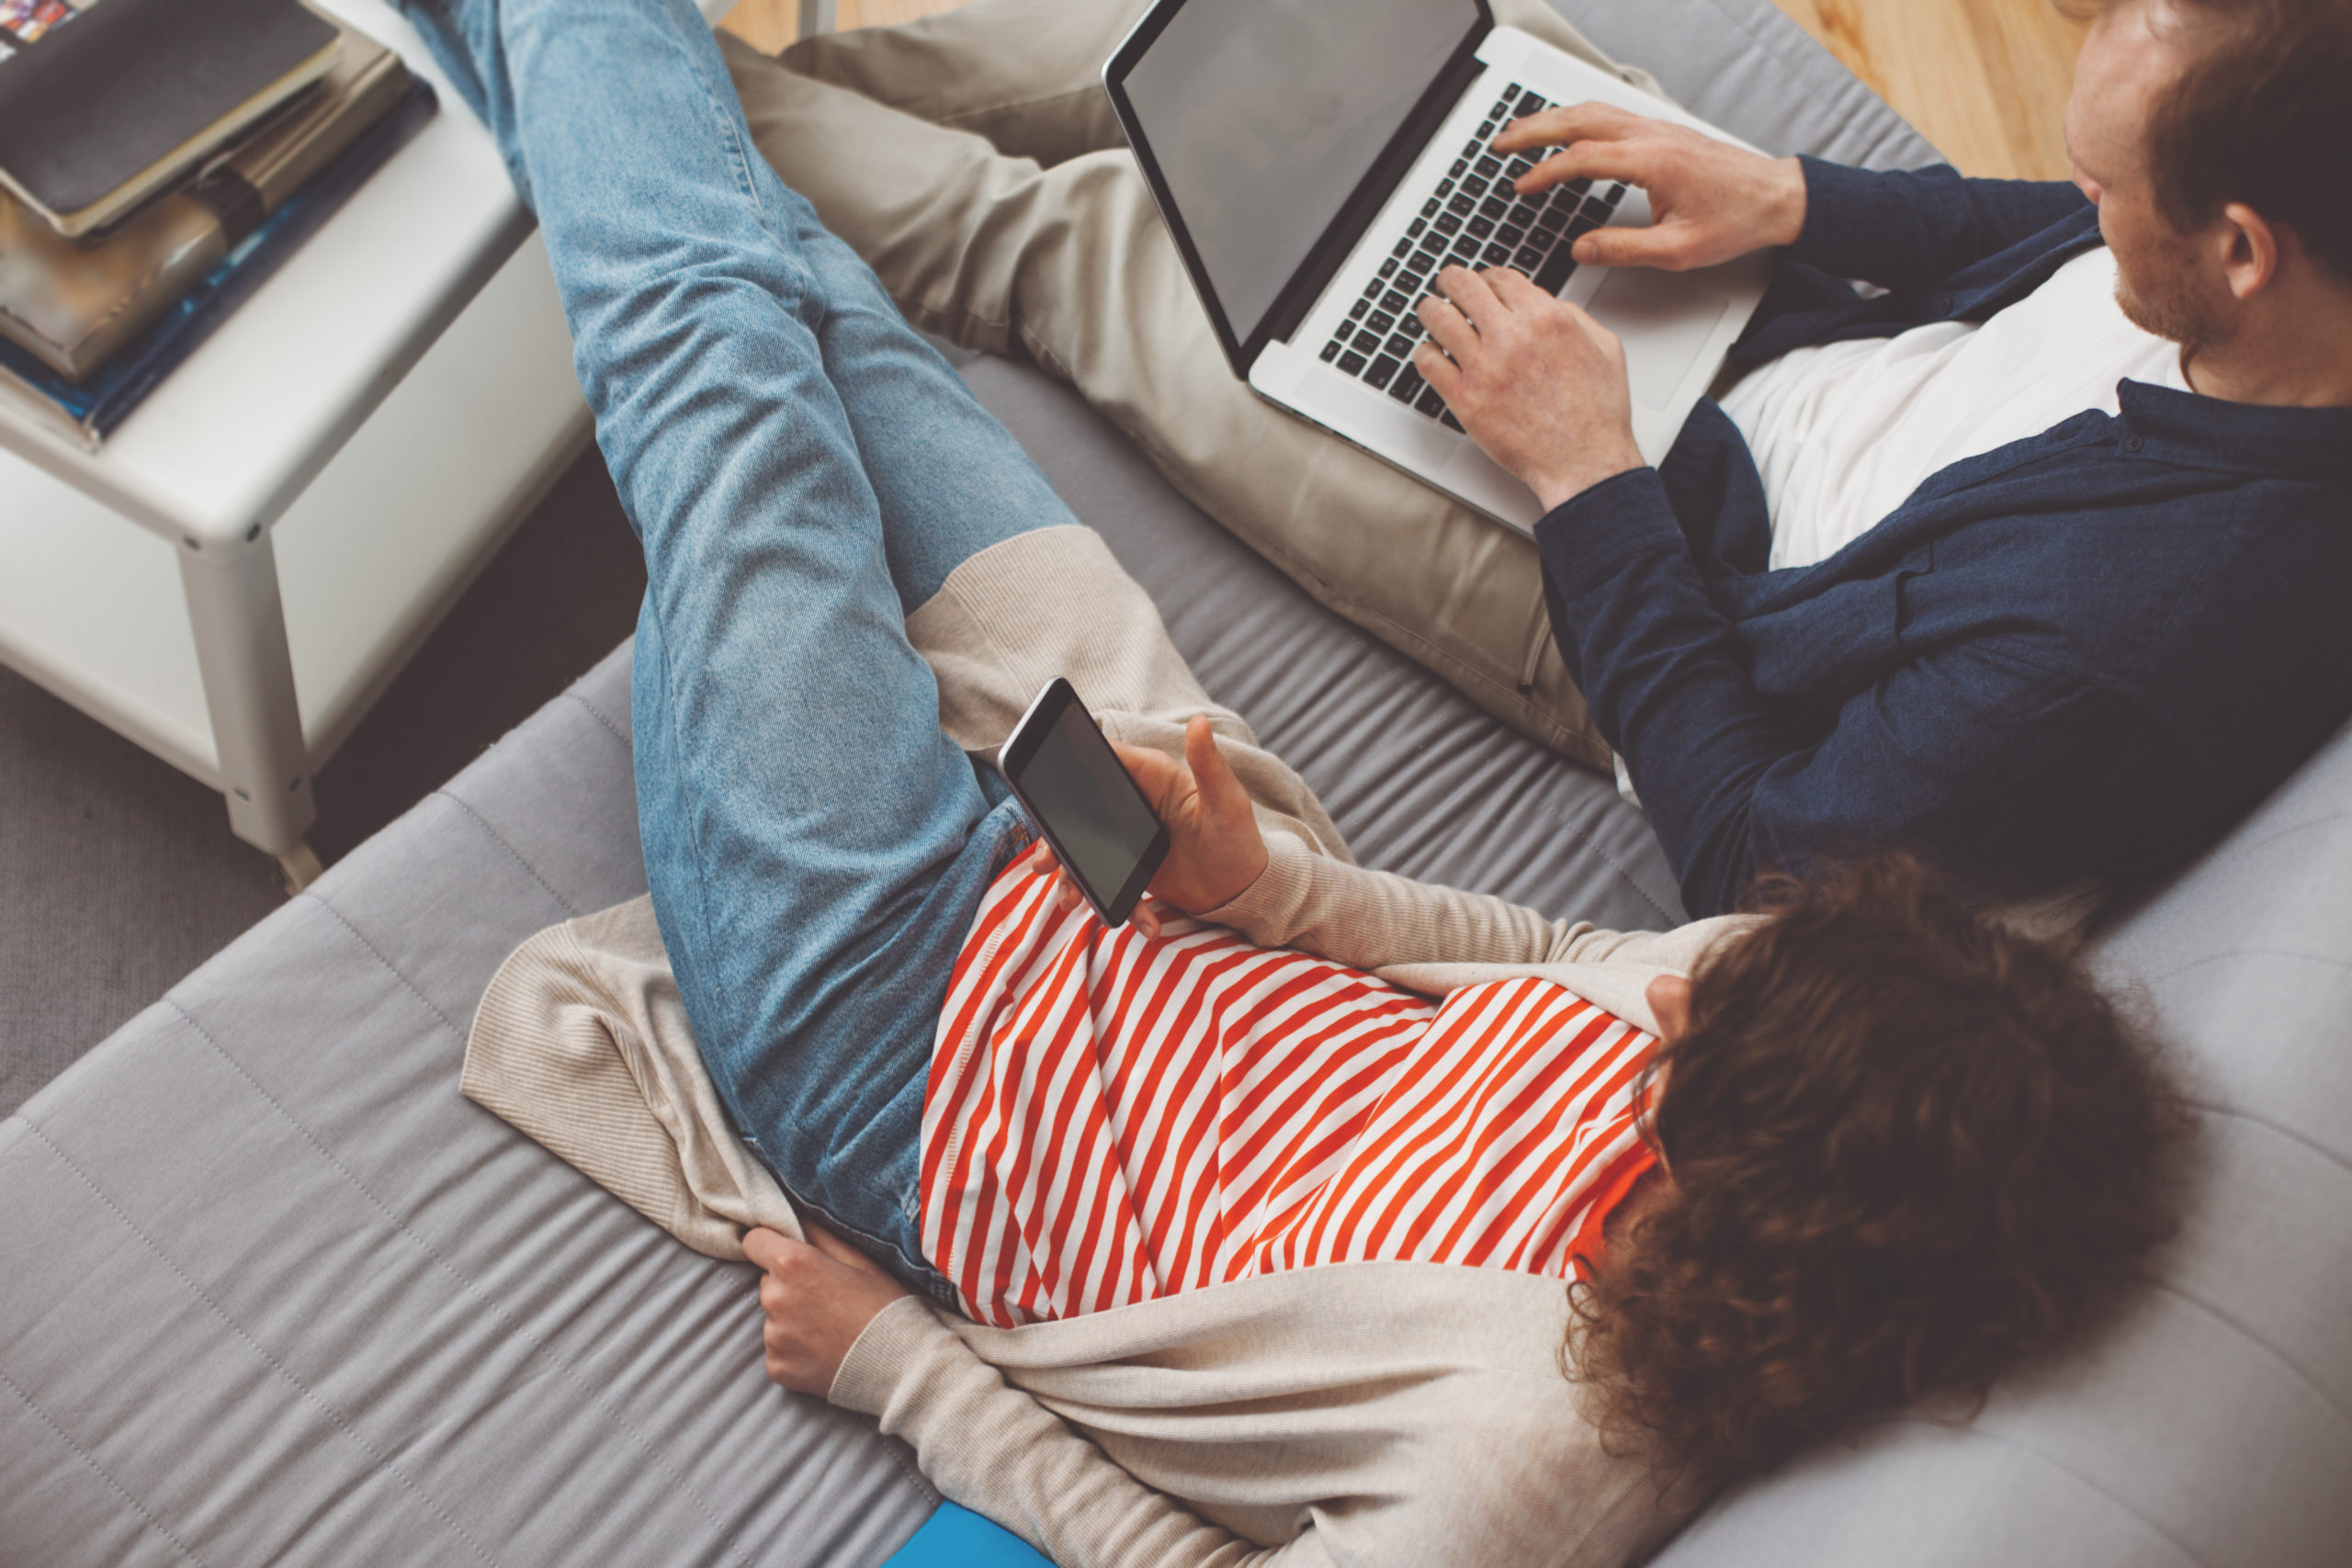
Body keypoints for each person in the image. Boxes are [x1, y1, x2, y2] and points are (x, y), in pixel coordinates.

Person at [410, 0, 2180, 1561]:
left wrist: (903, 1374)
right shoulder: (1743, 999)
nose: (1683, 989)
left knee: (709, 338)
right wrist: (1261, 885)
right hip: (1123, 832)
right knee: (801, 294)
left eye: (1708, 1026)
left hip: (894, 1039)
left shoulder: (1542, 1457)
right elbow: (1532, 953)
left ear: (1772, 1177)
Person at [718, 0, 2352, 920]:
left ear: (2243, 249)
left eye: (2105, 180)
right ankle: (715, 73)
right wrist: (1793, 198)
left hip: (1652, 578)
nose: (2077, 200)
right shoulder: (2282, 274)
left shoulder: (2123, 652)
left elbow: (1754, 854)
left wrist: (1588, 476)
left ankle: (606, 58)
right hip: (1761, 320)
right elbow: (2055, 249)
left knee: (1071, 237)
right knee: (1284, 59)